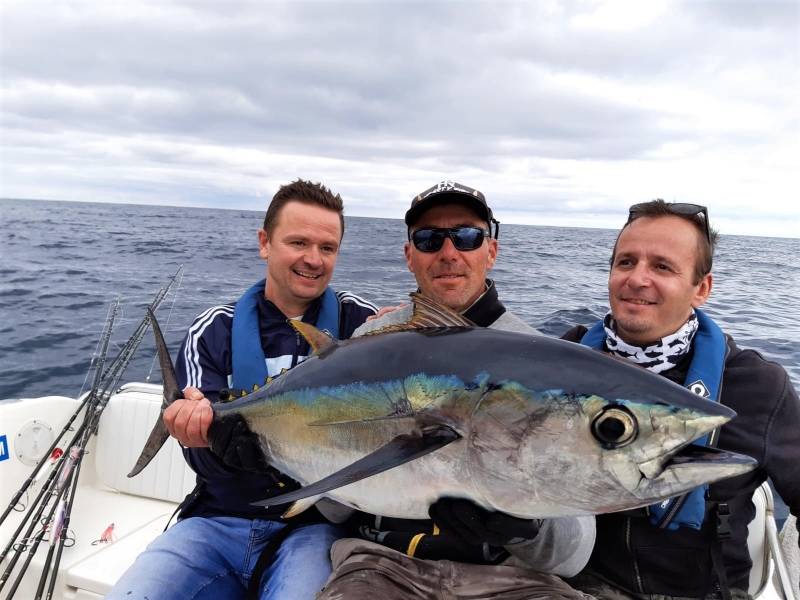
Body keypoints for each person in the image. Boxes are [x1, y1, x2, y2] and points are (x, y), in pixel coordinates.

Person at [317, 180, 596, 600]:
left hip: (512, 580)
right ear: (409, 256)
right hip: (379, 568)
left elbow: (575, 554)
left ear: (492, 250)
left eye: (467, 236)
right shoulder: (365, 344)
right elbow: (334, 506)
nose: (449, 253)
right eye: (429, 239)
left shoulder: (540, 361)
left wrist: (530, 528)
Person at [107, 180, 377, 600]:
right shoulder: (212, 330)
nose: (313, 259)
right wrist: (209, 440)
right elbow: (198, 452)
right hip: (217, 521)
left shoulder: (362, 324)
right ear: (264, 243)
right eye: (298, 242)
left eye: (328, 248)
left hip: (317, 527)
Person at [563, 200, 800, 600]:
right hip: (567, 587)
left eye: (662, 267)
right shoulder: (562, 362)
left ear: (701, 288)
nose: (637, 278)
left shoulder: (757, 386)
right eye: (625, 262)